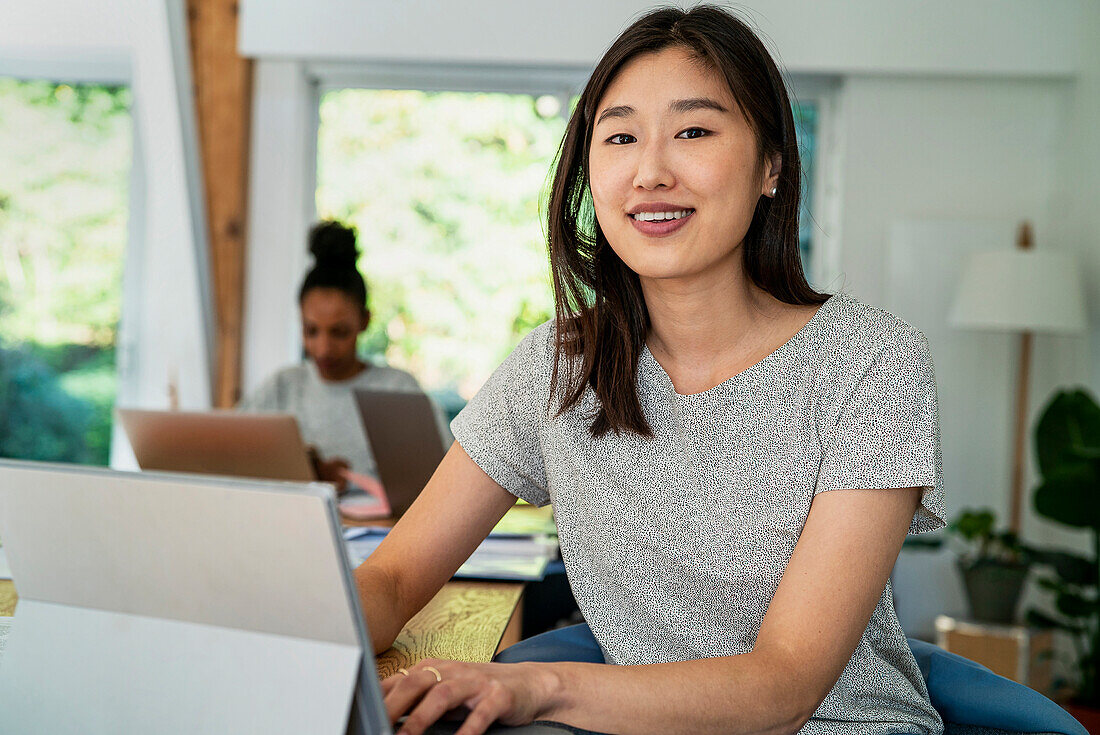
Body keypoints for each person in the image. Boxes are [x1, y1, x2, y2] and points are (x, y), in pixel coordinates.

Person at [356, 6, 945, 735]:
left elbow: (784, 684)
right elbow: (392, 577)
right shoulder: (556, 367)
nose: (651, 171)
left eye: (694, 130)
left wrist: (539, 686)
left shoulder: (871, 361)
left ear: (771, 165)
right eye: (621, 136)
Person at [238, 220, 421, 492]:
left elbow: (439, 482)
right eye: (311, 331)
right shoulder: (281, 387)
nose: (323, 349)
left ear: (364, 321)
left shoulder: (398, 390)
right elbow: (233, 462)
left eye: (339, 332)